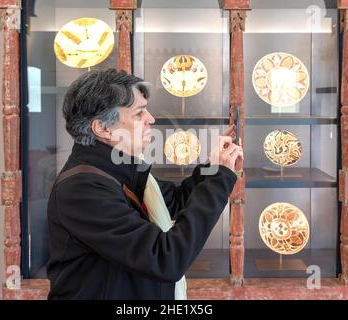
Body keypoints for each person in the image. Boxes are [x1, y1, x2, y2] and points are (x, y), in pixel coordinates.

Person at [47, 68, 243, 300]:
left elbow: (177, 201)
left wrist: (213, 167)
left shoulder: (120, 170)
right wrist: (219, 178)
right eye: (139, 113)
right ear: (102, 128)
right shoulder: (82, 190)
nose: (151, 119)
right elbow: (166, 259)